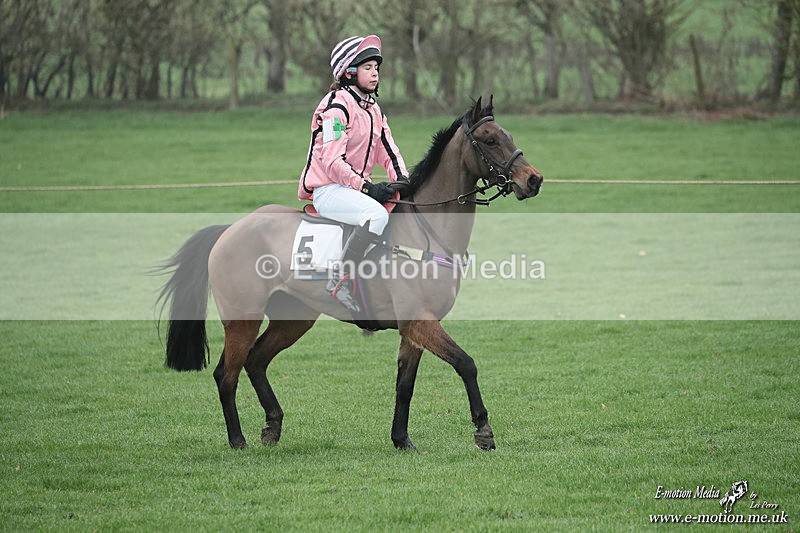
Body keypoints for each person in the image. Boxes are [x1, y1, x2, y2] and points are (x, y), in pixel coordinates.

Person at [298, 35, 409, 312]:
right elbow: (332, 161)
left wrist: (404, 180)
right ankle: (339, 279)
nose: (375, 73)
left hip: (353, 189)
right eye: (368, 68)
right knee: (376, 215)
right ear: (349, 72)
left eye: (376, 68)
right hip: (329, 190)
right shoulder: (335, 107)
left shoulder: (374, 109)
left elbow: (388, 150)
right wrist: (367, 188)